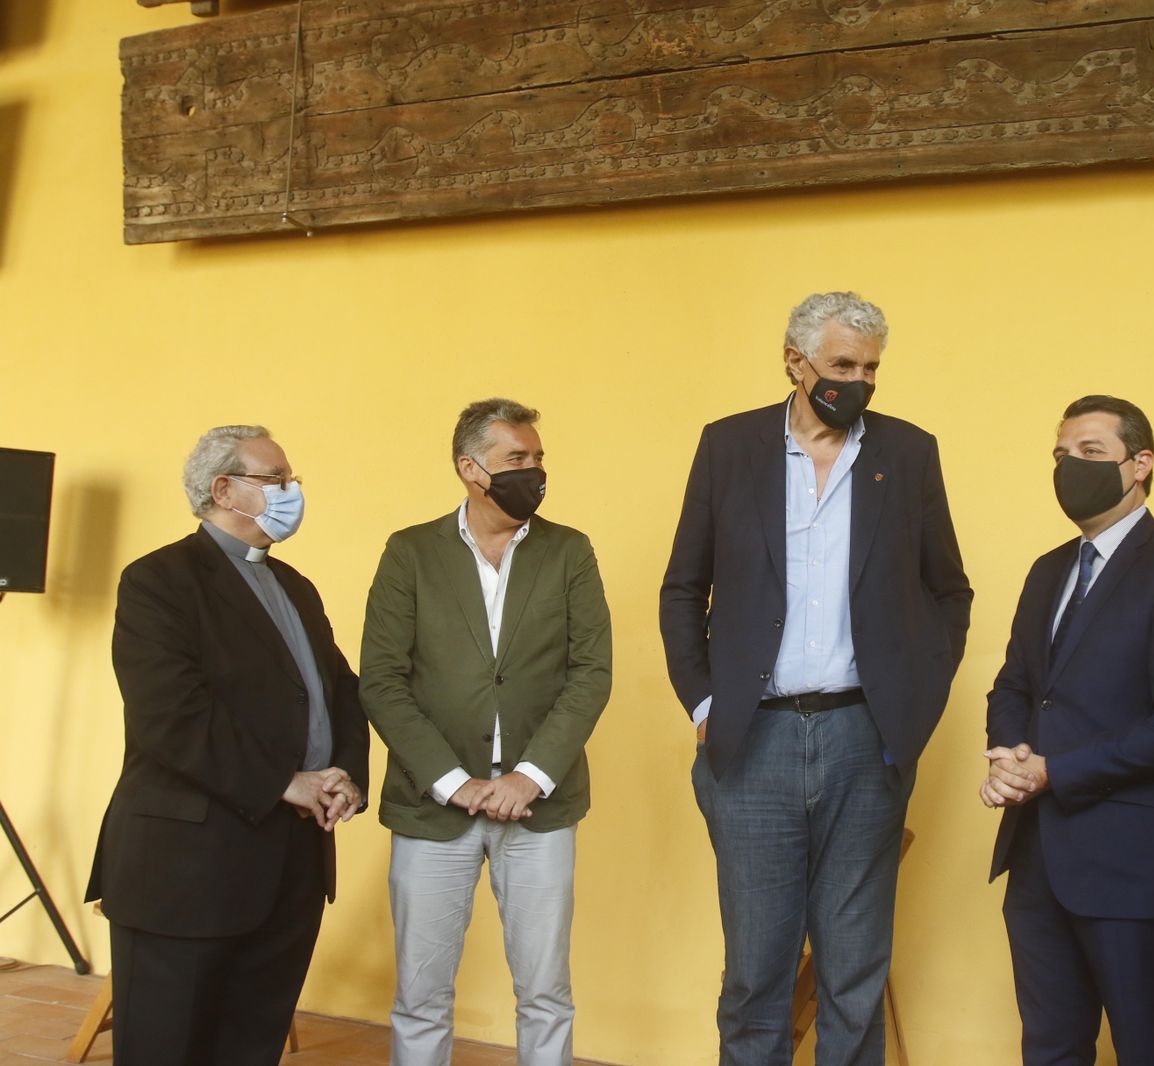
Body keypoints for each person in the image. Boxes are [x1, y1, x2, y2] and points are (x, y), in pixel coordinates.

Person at [660, 291, 972, 1065]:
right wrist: (706, 703)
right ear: (795, 363)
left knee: (854, 973)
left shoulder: (908, 452)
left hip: (865, 740)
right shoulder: (728, 447)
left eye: (871, 368)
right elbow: (680, 589)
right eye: (842, 365)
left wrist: (911, 710)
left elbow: (948, 592)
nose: (859, 381)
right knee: (757, 975)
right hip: (751, 740)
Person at [86, 424, 368, 1066]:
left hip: (291, 862)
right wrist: (286, 780)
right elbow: (172, 717)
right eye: (277, 480)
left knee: (251, 1045)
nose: (293, 492)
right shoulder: (159, 580)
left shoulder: (296, 585)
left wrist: (344, 773)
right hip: (185, 869)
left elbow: (340, 692)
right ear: (224, 489)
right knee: (166, 1046)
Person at [981, 395, 1154, 1065]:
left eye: (1090, 452)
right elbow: (1015, 685)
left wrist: (1055, 772)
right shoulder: (1047, 570)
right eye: (1061, 455)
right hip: (1034, 863)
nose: (1070, 466)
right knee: (1051, 1049)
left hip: (1129, 868)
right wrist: (1007, 755)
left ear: (1140, 463)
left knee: (1148, 1050)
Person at [361, 398, 611, 1066]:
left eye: (538, 459)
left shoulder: (569, 552)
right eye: (516, 460)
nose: (534, 472)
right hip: (432, 809)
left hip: (541, 807)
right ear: (471, 469)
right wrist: (453, 783)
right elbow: (382, 680)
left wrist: (529, 776)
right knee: (420, 996)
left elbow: (591, 672)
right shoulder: (409, 553)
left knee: (546, 993)